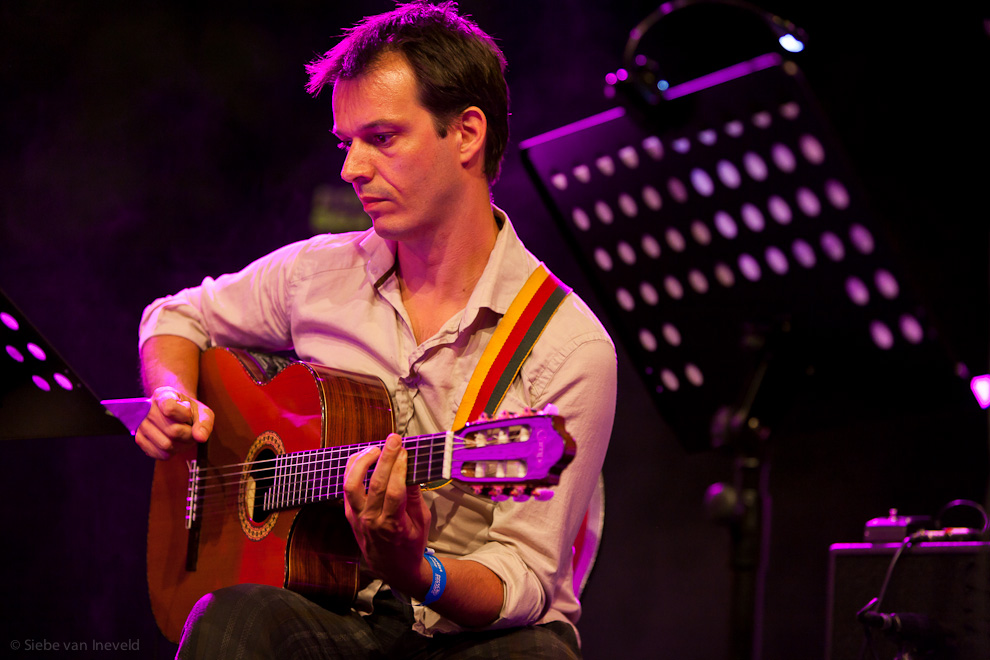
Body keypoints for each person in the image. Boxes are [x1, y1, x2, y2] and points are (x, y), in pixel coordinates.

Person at [135, 2, 616, 658]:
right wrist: (172, 394)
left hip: (480, 636)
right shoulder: (318, 273)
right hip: (338, 609)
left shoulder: (568, 346)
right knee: (233, 617)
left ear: (468, 134)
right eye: (346, 143)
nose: (350, 169)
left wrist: (418, 569)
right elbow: (176, 316)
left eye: (382, 139)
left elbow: (526, 578)